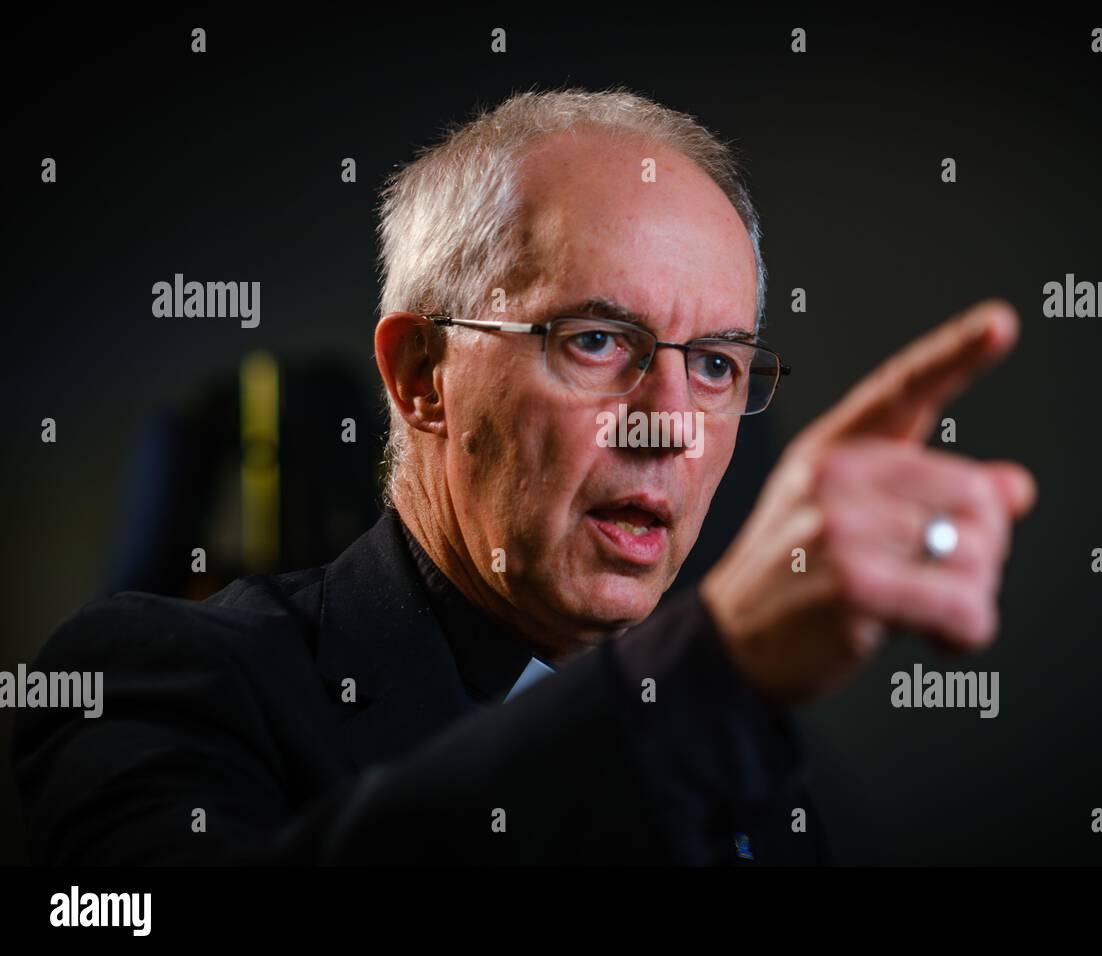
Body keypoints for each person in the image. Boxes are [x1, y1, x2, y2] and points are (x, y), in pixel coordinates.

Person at [12, 88, 1035, 865]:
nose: (673, 422)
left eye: (716, 362)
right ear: (423, 376)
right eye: (597, 339)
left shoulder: (757, 772)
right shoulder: (151, 682)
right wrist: (709, 670)